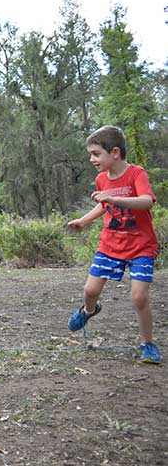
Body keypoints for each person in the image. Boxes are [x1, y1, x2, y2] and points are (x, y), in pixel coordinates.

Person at [66, 125, 160, 364]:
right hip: (111, 244)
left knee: (139, 297)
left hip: (141, 245)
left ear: (115, 152)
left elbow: (147, 201)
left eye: (96, 154)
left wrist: (114, 197)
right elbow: (103, 205)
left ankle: (147, 344)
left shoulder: (136, 174)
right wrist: (84, 221)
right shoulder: (101, 179)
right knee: (90, 291)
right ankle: (88, 311)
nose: (91, 159)